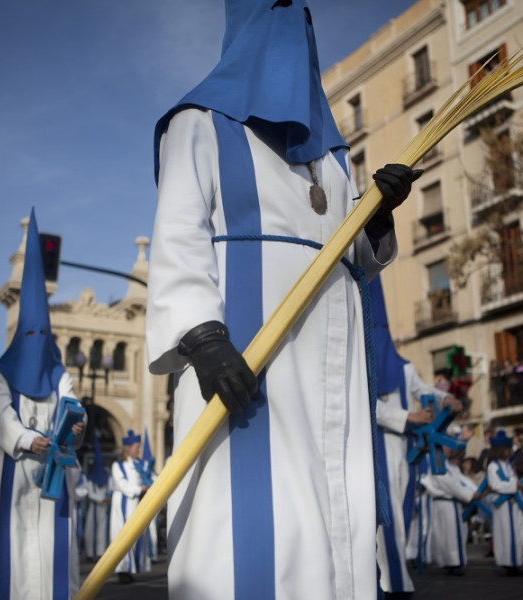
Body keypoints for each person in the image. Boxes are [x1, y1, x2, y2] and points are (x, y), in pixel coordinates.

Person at [146, 1, 420, 598]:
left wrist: (375, 219)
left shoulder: (333, 158)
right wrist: (203, 337)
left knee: (330, 510)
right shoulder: (199, 124)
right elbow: (177, 236)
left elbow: (355, 260)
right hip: (247, 358)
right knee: (247, 521)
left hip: (331, 363)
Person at [0, 209, 86, 600]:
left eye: (44, 332)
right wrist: (26, 439)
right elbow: (1, 416)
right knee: (11, 549)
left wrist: (78, 424)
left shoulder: (59, 373)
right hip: (14, 466)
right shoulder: (1, 373)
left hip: (53, 469)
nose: (37, 339)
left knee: (50, 548)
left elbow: (73, 402)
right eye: (31, 332)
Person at [369, 275, 458, 597]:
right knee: (385, 514)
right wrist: (408, 417)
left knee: (402, 514)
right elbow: (369, 405)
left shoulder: (405, 368)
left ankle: (397, 577)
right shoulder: (363, 367)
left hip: (404, 452)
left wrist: (445, 397)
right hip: (378, 449)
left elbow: (422, 389)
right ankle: (390, 583)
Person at [426, 448, 478, 576]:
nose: (449, 449)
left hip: (453, 502)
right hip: (444, 503)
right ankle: (450, 562)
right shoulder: (437, 464)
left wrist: (475, 490)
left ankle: (454, 562)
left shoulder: (450, 466)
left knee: (454, 534)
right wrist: (470, 494)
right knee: (447, 534)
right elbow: (449, 484)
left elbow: (461, 480)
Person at [486, 430, 523, 577]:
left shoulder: (509, 465)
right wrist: (514, 485)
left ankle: (517, 561)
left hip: (515, 504)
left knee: (522, 533)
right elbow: (495, 485)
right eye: (506, 448)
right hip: (504, 506)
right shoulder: (493, 466)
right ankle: (510, 564)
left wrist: (518, 488)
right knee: (507, 535)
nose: (509, 451)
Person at [110, 430, 149, 583]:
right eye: (135, 447)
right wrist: (140, 490)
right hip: (122, 504)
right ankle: (122, 570)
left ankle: (130, 568)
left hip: (135, 504)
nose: (138, 450)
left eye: (139, 447)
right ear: (127, 448)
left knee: (134, 536)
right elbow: (122, 484)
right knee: (121, 535)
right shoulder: (117, 465)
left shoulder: (139, 464)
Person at [83, 437, 110, 562]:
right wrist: (101, 499)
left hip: (104, 508)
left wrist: (107, 498)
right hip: (94, 507)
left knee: (102, 531)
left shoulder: (107, 476)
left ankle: (100, 552)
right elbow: (90, 494)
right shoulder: (90, 479)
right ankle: (90, 553)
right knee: (91, 530)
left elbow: (111, 488)